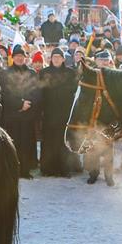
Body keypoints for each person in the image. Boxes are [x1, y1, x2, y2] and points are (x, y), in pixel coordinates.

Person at [0, 45, 40, 178]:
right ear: (13, 57)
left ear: (25, 57)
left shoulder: (32, 73)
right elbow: (4, 94)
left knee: (27, 143)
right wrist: (20, 104)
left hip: (28, 115)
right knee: (13, 144)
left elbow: (37, 92)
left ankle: (25, 170)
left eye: (22, 56)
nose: (19, 58)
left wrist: (28, 104)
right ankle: (13, 170)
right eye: (17, 56)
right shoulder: (5, 74)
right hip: (12, 115)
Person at [39, 47, 76, 177]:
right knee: (49, 141)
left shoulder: (70, 73)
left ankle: (65, 168)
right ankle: (48, 169)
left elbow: (74, 92)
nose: (56, 59)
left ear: (63, 59)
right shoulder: (44, 73)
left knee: (64, 141)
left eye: (59, 57)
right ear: (51, 59)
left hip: (65, 113)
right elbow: (40, 92)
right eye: (54, 57)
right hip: (49, 112)